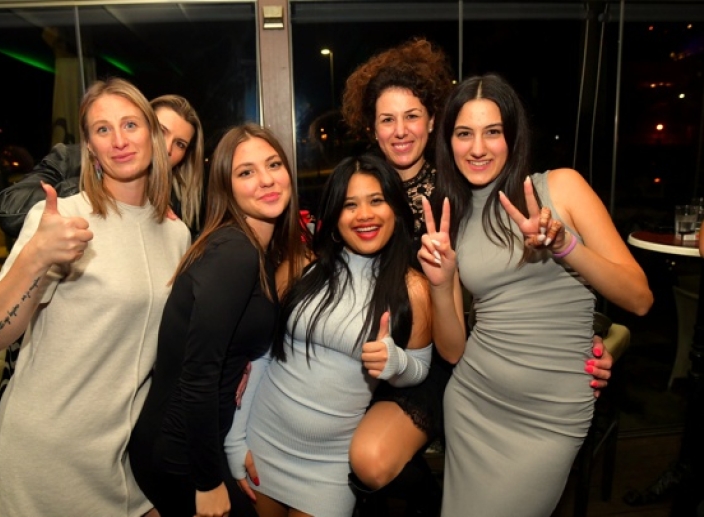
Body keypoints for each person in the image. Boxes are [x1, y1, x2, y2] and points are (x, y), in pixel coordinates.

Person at [339, 38, 614, 513]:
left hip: (443, 361)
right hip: (369, 353)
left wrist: (589, 341)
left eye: (412, 116)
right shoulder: (361, 188)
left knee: (372, 459)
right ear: (371, 128)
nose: (400, 131)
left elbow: (524, 285)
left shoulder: (458, 193)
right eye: (387, 120)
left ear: (433, 122)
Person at [419, 72, 653, 516]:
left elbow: (639, 298)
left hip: (550, 415)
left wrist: (565, 245)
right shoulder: (457, 219)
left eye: (493, 132)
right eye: (464, 134)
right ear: (448, 142)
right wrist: (441, 281)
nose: (478, 148)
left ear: (513, 136)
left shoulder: (561, 187)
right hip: (473, 402)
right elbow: (452, 351)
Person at [0, 77, 191, 516]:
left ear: (153, 134)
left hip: (126, 454)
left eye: (130, 124)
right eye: (102, 129)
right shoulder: (62, 219)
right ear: (90, 146)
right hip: (49, 454)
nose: (119, 140)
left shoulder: (176, 233)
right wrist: (36, 258)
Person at [225, 154, 461, 517]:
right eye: (350, 205)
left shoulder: (413, 287)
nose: (364, 215)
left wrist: (395, 363)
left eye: (376, 200)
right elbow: (261, 356)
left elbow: (420, 367)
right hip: (262, 443)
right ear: (335, 217)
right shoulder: (301, 265)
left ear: (395, 211)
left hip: (330, 468)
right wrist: (235, 441)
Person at [128, 123, 307, 517]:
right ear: (227, 188)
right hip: (179, 453)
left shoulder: (256, 250)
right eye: (246, 172)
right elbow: (198, 375)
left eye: (273, 164)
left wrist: (240, 361)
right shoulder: (234, 251)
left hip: (193, 444)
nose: (266, 180)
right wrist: (207, 482)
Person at [0, 93, 205, 239]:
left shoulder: (177, 204)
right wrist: (98, 187)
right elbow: (10, 211)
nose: (167, 148)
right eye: (161, 131)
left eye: (180, 144)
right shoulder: (71, 158)